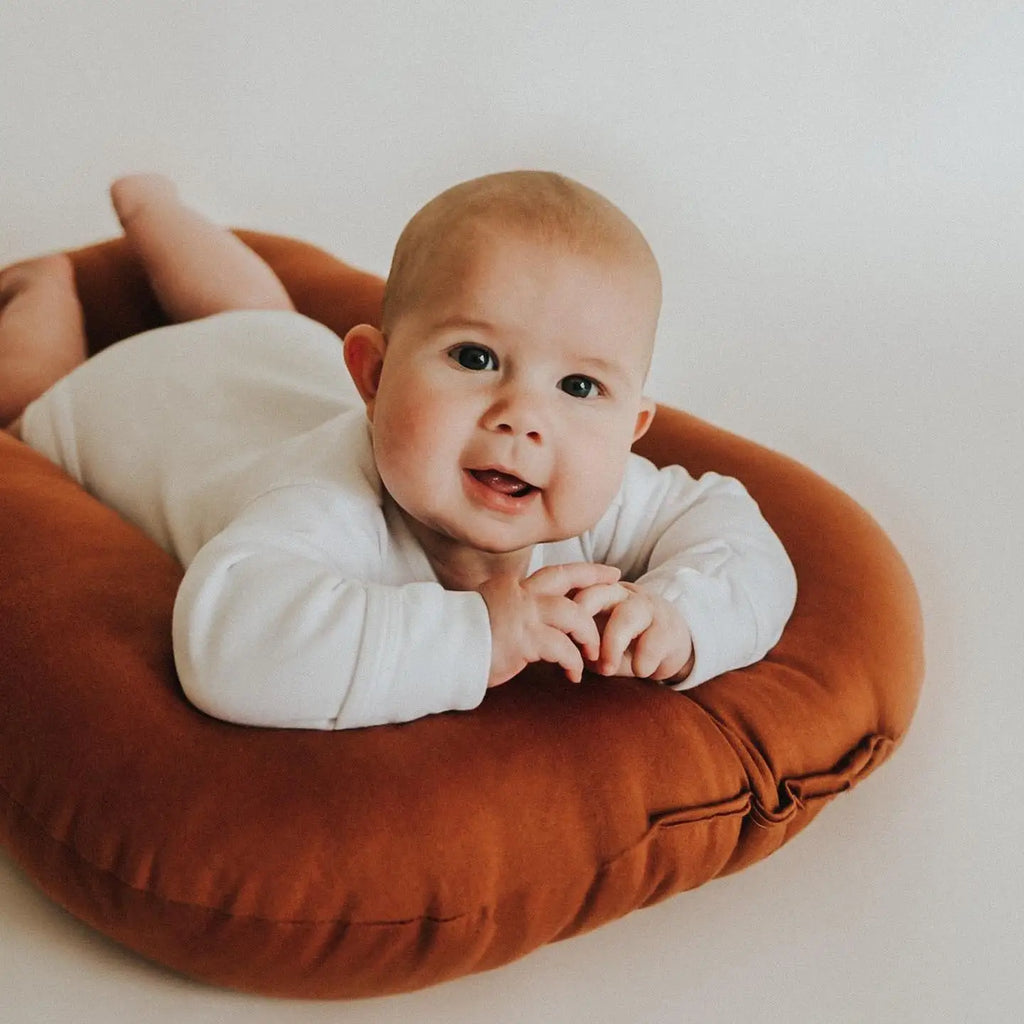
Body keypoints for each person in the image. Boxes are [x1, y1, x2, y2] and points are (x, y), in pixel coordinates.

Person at [0, 171, 797, 729]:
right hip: (133, 404)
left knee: (257, 312)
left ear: (633, 430)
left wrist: (683, 615)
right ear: (373, 374)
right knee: (28, 392)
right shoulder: (326, 508)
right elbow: (227, 644)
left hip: (272, 353)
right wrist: (480, 636)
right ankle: (46, 281)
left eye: (580, 389)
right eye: (476, 359)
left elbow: (734, 532)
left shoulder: (598, 487)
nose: (524, 420)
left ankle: (154, 207)